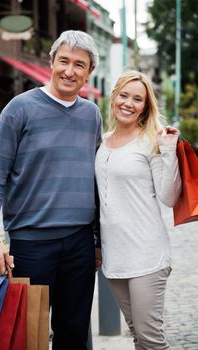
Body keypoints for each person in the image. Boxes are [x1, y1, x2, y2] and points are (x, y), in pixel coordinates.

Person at [0, 30, 102, 350]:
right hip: (29, 245)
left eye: (79, 65)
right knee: (25, 335)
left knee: (73, 333)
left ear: (89, 72)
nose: (69, 71)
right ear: (51, 61)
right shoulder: (19, 108)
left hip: (79, 244)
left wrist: (98, 241)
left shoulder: (92, 115)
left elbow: (99, 182)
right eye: (63, 61)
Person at [95, 70, 182, 349]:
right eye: (124, 95)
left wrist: (168, 151)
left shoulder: (150, 141)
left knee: (151, 339)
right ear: (113, 97)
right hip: (115, 258)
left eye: (137, 99)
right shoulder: (103, 143)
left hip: (147, 255)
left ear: (145, 107)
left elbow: (168, 198)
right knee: (138, 336)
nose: (128, 103)